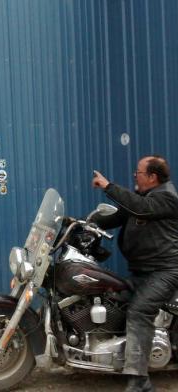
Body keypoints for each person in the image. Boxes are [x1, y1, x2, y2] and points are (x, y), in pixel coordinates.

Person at [92, 155, 178, 392]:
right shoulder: (143, 196)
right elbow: (118, 215)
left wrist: (108, 186)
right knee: (110, 297)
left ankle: (140, 382)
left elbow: (140, 208)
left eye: (137, 173)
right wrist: (84, 222)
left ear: (152, 177)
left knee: (139, 311)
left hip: (165, 271)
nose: (134, 176)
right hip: (142, 271)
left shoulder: (166, 197)